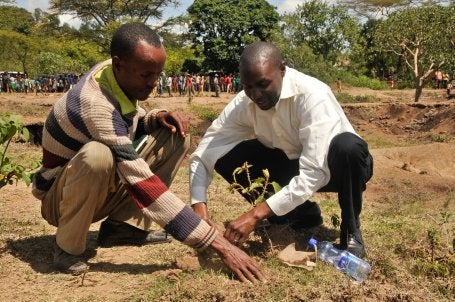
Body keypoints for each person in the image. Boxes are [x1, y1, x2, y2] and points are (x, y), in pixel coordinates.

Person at [31, 22, 264, 283]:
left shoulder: (109, 73)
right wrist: (218, 244)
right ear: (119, 64)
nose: (154, 83)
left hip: (98, 188)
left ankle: (124, 228)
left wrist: (157, 117)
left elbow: (125, 120)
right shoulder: (93, 102)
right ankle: (67, 247)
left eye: (158, 74)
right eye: (146, 75)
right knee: (97, 155)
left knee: (174, 137)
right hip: (59, 200)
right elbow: (139, 180)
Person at [189, 42, 373, 258]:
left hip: (338, 168)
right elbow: (206, 150)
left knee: (348, 147)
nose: (256, 95)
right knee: (223, 154)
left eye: (263, 84)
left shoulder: (312, 94)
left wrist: (256, 215)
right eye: (248, 87)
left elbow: (314, 172)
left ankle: (351, 231)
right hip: (291, 164)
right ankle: (297, 215)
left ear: (282, 70)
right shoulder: (244, 103)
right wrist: (198, 207)